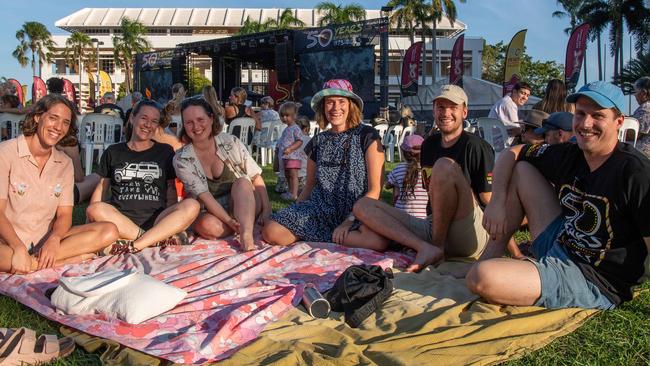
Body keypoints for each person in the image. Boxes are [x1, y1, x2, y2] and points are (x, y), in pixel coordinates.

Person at [467, 81, 650, 309]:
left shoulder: (635, 171)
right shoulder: (570, 154)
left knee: (482, 278)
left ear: (619, 122)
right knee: (523, 169)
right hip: (562, 244)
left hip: (595, 278)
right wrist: (496, 202)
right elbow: (511, 153)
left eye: (598, 116)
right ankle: (490, 255)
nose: (585, 124)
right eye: (580, 113)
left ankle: (506, 270)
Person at [353, 85, 495, 272]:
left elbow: (491, 202)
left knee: (444, 165)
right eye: (440, 107)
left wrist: (509, 250)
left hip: (468, 230)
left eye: (453, 107)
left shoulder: (476, 147)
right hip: (434, 225)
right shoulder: (429, 144)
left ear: (465, 112)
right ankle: (425, 248)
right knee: (362, 205)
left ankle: (435, 249)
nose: (446, 113)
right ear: (434, 111)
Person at [0, 94, 118, 274]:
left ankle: (32, 263)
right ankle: (60, 261)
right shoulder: (6, 152)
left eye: (65, 122)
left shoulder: (64, 163)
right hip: (7, 242)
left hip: (44, 240)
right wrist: (17, 247)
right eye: (53, 118)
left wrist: (54, 240)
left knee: (109, 230)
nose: (58, 127)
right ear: (38, 117)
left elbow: (64, 215)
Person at [262, 79, 384, 247]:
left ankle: (323, 236)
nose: (335, 108)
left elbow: (375, 190)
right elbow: (310, 186)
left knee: (377, 241)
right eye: (329, 102)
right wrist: (294, 209)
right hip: (319, 211)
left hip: (357, 213)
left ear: (351, 105)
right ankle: (333, 237)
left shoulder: (367, 136)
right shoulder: (318, 141)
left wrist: (349, 221)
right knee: (271, 231)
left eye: (341, 102)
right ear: (323, 107)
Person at [86, 100, 200, 255]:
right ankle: (152, 241)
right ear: (132, 118)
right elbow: (102, 187)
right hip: (120, 220)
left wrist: (171, 221)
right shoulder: (113, 151)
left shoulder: (165, 151)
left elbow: (171, 189)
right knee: (95, 208)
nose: (148, 125)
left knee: (192, 205)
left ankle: (132, 244)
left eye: (154, 121)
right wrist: (90, 222)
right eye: (144, 118)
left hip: (158, 220)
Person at [173, 97, 271, 251]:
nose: (196, 126)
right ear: (184, 126)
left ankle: (246, 235)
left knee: (243, 182)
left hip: (244, 200)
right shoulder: (182, 158)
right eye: (189, 122)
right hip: (213, 210)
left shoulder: (230, 142)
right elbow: (204, 195)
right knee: (206, 225)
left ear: (211, 119)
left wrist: (267, 210)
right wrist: (229, 221)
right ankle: (242, 225)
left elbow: (255, 176)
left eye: (200, 119)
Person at [385, 134, 428, 219]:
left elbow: (387, 185)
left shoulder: (399, 168)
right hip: (424, 217)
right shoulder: (428, 170)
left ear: (404, 153)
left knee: (396, 185)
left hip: (401, 216)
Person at [276, 102, 303, 201]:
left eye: (287, 115)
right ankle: (290, 191)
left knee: (293, 175)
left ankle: (294, 194)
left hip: (293, 156)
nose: (284, 118)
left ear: (294, 116)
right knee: (288, 175)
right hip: (286, 157)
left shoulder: (295, 128)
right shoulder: (287, 129)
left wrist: (291, 148)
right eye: (282, 116)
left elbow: (299, 141)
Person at [632, 76, 650, 158]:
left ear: (643, 93)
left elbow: (635, 133)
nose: (634, 96)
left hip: (642, 154)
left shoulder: (646, 108)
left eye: (635, 92)